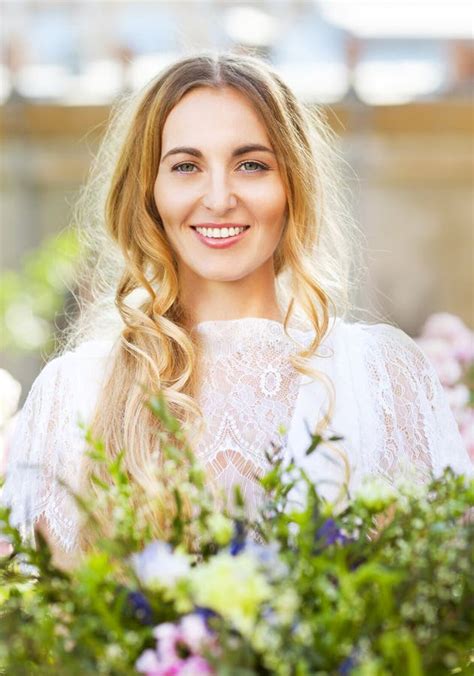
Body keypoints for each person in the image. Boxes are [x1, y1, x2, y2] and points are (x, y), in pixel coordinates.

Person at [2, 52, 473, 569]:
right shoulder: (75, 394)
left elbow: (440, 613)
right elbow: (41, 629)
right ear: (148, 192)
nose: (220, 197)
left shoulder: (383, 377)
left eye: (251, 165)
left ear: (292, 184)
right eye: (186, 166)